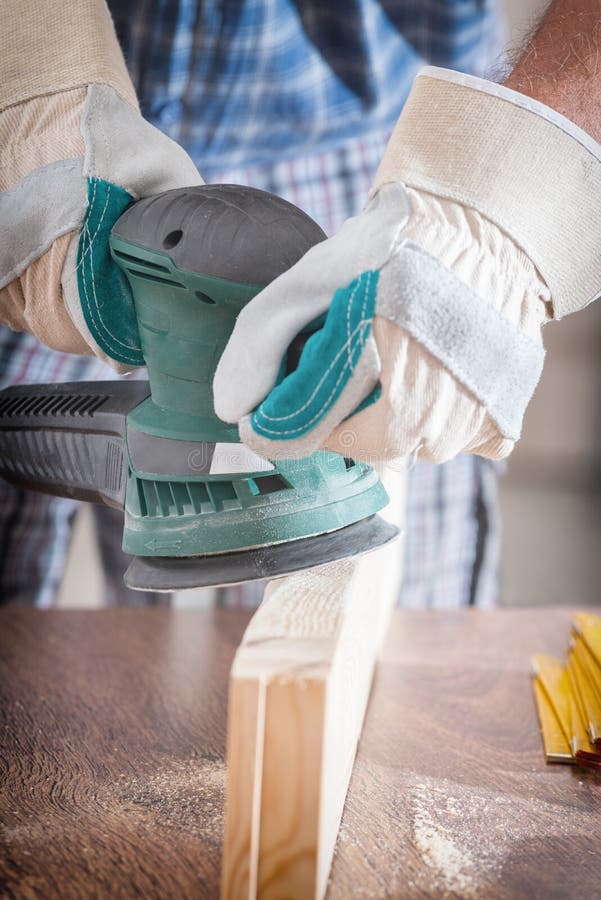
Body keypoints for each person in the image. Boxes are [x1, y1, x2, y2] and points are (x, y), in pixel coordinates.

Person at [0, 0, 599, 608]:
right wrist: (29, 86)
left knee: (400, 663)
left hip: (399, 180)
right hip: (59, 163)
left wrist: (508, 199)